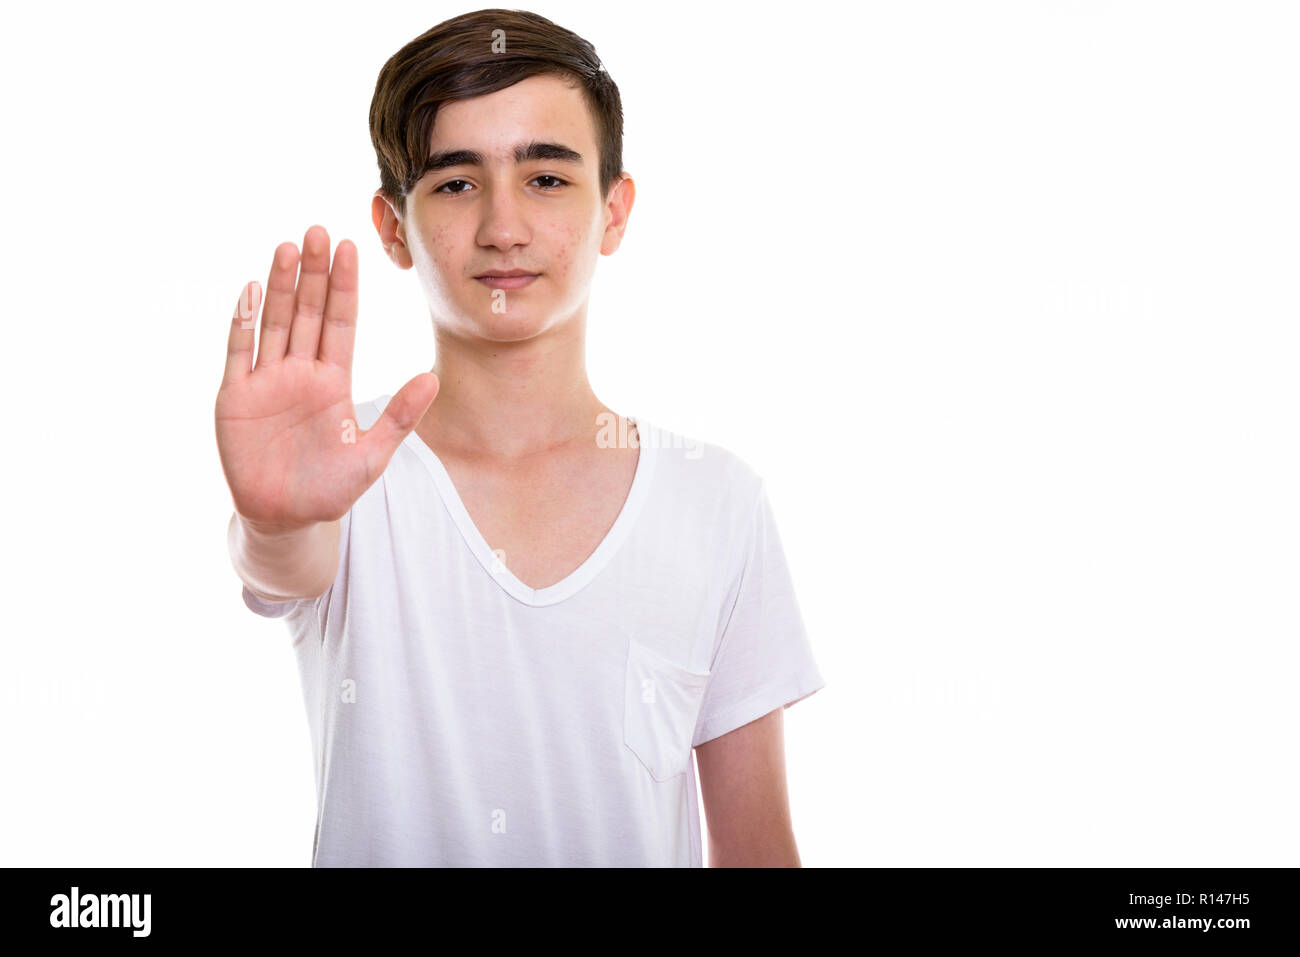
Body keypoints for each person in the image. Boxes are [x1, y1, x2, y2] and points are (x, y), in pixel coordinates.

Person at [214, 8, 825, 867]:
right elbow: (282, 562)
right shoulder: (347, 473)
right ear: (395, 228)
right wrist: (274, 523)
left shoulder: (717, 501)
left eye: (546, 178)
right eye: (457, 183)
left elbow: (757, 847)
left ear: (615, 211)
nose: (504, 226)